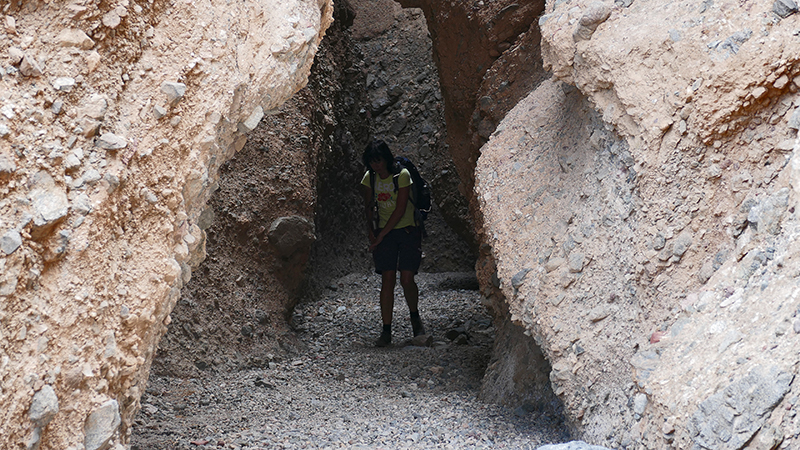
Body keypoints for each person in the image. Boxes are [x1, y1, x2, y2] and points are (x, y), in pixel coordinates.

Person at [360, 139, 426, 347]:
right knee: (387, 280)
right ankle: (386, 330)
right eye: (371, 162)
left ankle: (415, 317)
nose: (375, 166)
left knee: (406, 279)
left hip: (407, 230)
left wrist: (380, 235)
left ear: (386, 159)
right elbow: (369, 206)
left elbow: (399, 209)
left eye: (378, 161)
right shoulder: (369, 178)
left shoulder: (402, 176)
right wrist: (371, 231)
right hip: (384, 233)